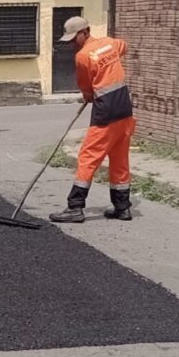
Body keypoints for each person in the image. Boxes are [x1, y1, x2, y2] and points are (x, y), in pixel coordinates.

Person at [50, 16, 136, 224]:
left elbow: (86, 88)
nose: (71, 43)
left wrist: (89, 95)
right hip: (124, 108)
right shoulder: (110, 43)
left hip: (105, 110)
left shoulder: (83, 56)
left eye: (74, 38)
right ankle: (122, 207)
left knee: (88, 157)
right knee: (119, 158)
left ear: (85, 32)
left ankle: (75, 207)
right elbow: (123, 46)